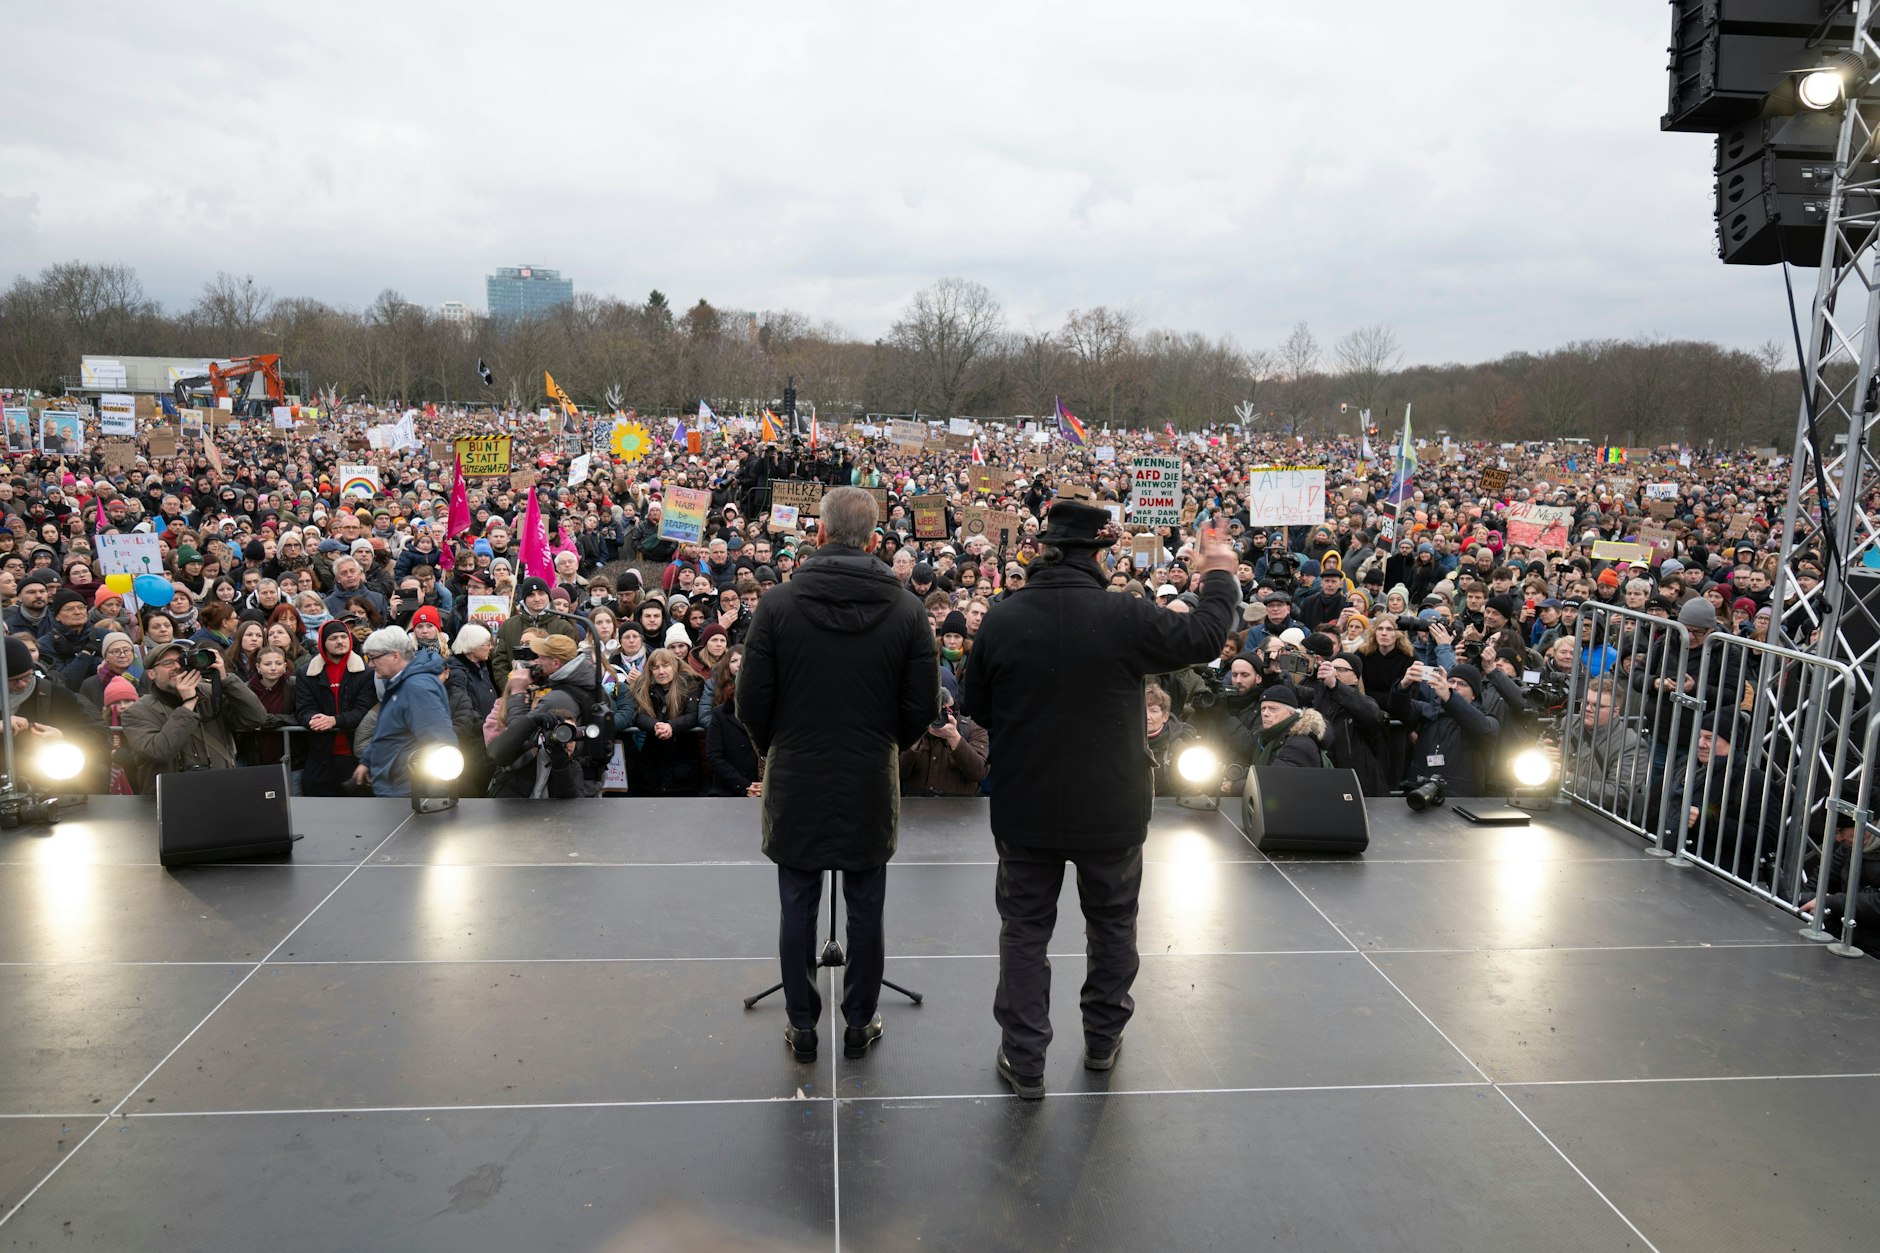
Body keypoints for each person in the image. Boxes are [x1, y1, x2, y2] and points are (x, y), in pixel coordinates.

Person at [961, 501, 1236, 1099]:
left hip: (1025, 805)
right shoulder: (1124, 615)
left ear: (1043, 551)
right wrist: (1217, 572)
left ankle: (1024, 1059)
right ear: (1099, 552)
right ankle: (1103, 1041)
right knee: (1112, 926)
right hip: (1110, 808)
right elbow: (1208, 635)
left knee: (1025, 931)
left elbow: (976, 704)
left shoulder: (1004, 618)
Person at [737, 486, 940, 1064]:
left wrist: (777, 749)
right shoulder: (907, 611)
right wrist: (885, 748)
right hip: (869, 777)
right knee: (866, 906)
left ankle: (803, 1025)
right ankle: (858, 1021)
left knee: (796, 904)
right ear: (875, 541)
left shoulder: (777, 605)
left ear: (819, 535)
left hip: (796, 773)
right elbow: (920, 706)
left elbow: (750, 702)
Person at [119, 638, 270, 783]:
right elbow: (159, 752)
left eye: (180, 661)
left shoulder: (211, 693)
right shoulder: (136, 712)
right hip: (172, 796)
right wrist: (188, 703)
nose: (177, 667)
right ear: (151, 674)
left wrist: (225, 680)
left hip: (221, 787)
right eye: (167, 663)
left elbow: (256, 718)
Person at [356, 625, 455, 798]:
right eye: (367, 658)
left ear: (395, 656)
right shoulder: (400, 684)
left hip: (410, 793)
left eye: (373, 658)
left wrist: (433, 799)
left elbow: (439, 742)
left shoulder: (417, 688)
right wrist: (368, 761)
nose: (370, 664)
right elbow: (391, 732)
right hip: (398, 787)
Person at [2, 636, 110, 793]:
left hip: (47, 789)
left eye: (27, 676)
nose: (22, 684)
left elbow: (98, 734)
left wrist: (63, 736)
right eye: (13, 681)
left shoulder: (56, 695)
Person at [898, 684, 990, 796]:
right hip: (917, 808)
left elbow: (979, 773)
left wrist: (955, 739)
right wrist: (915, 739)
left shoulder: (973, 728)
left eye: (945, 711)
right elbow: (897, 774)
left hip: (961, 809)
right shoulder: (910, 727)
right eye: (934, 712)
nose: (939, 718)